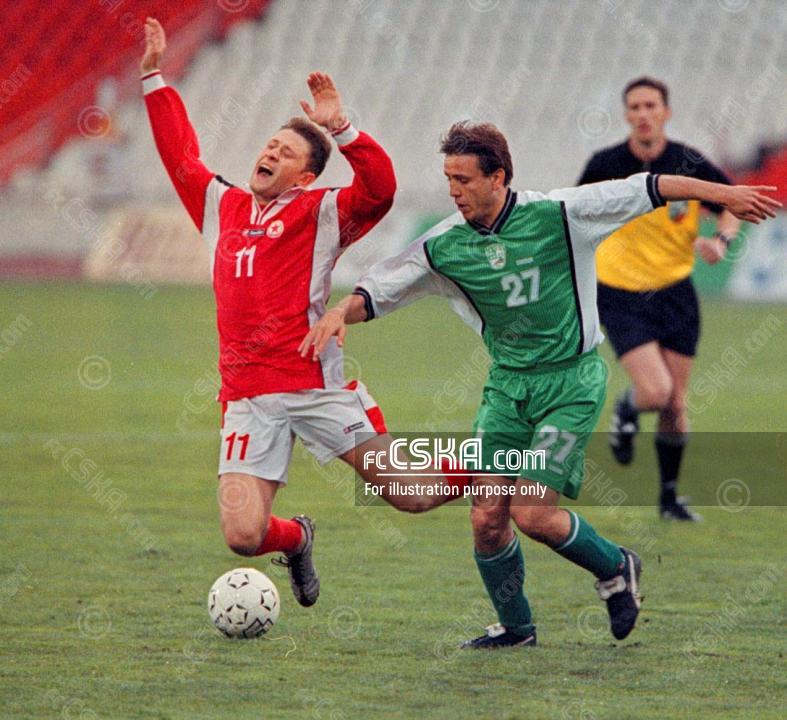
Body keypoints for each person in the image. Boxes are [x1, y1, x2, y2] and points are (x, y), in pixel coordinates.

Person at [300, 121, 779, 647]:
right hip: (508, 391)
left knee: (532, 513)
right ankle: (517, 628)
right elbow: (379, 288)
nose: (453, 190)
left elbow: (651, 186)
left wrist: (725, 195)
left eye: (463, 179)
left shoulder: (561, 214)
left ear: (498, 177)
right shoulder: (445, 244)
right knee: (486, 516)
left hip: (570, 385)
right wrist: (340, 312)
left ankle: (616, 566)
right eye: (448, 179)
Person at [140, 18, 469, 609]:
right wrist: (154, 78)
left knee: (411, 495)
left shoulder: (320, 213)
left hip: (312, 384)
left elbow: (380, 190)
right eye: (269, 145)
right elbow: (181, 156)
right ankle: (297, 539)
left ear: (306, 176)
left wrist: (341, 127)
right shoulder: (222, 205)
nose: (270, 152)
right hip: (246, 395)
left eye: (286, 152)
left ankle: (505, 464)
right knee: (243, 536)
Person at [577, 76, 741, 521]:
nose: (643, 114)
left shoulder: (689, 162)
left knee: (675, 404)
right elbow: (575, 212)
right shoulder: (605, 164)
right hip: (621, 292)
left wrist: (721, 241)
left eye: (651, 105)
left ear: (666, 112)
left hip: (676, 293)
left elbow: (730, 203)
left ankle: (669, 498)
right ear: (626, 115)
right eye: (635, 107)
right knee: (654, 391)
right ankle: (627, 407)